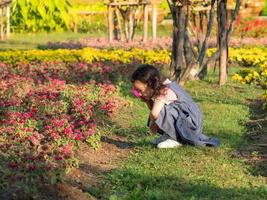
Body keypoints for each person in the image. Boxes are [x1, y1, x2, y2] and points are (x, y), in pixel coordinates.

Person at [131, 64, 220, 148]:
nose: (139, 93)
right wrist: (147, 101)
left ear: (151, 84)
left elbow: (154, 113)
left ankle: (176, 139)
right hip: (188, 119)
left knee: (160, 111)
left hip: (190, 124)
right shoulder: (165, 85)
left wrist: (154, 124)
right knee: (159, 110)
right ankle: (169, 135)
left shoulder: (165, 92)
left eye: (140, 90)